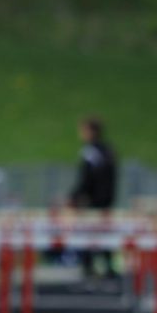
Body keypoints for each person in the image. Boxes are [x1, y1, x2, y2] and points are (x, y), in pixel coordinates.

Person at [69, 117, 118, 280]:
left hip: (92, 201)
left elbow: (86, 178)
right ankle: (108, 266)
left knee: (88, 233)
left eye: (83, 130)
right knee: (104, 233)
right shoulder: (108, 150)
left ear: (91, 131)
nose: (81, 134)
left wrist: (75, 197)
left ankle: (88, 266)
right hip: (107, 199)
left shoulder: (90, 152)